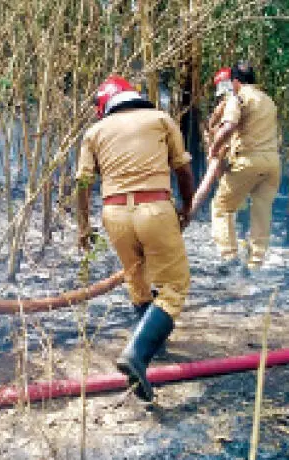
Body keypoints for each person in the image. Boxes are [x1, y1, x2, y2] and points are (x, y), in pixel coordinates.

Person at [76, 75, 194, 402]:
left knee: (137, 280)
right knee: (174, 287)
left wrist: (83, 227)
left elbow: (82, 184)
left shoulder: (95, 132)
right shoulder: (160, 119)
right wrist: (187, 207)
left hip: (114, 214)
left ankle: (151, 344)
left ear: (105, 107)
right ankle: (137, 354)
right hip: (155, 208)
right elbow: (183, 170)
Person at [191, 61, 281, 273]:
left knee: (222, 207)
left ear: (236, 82)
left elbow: (229, 126)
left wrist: (214, 148)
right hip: (272, 164)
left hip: (248, 161)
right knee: (262, 212)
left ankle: (229, 257)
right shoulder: (268, 100)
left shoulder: (237, 98)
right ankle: (255, 264)